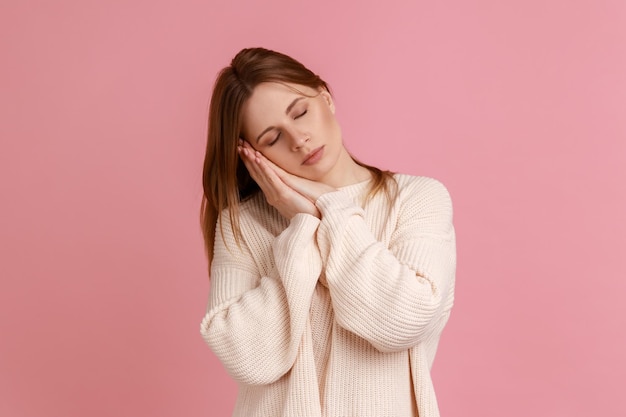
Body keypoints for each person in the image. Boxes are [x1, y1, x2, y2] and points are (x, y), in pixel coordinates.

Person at [199, 47, 456, 417]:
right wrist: (302, 225)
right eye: (272, 138)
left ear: (326, 96)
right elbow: (246, 356)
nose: (299, 139)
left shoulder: (417, 198)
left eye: (300, 112)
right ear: (251, 156)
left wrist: (331, 211)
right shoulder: (243, 224)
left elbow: (402, 320)